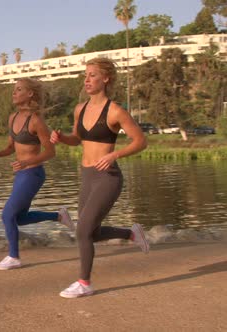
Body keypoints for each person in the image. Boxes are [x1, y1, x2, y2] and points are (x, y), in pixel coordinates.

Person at [50, 57, 150, 298]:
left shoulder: (115, 111)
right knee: (90, 233)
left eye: (92, 75)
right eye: (86, 75)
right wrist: (62, 138)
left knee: (82, 231)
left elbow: (141, 141)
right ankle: (131, 234)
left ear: (105, 79)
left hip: (108, 177)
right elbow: (78, 139)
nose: (87, 79)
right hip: (87, 176)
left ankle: (84, 283)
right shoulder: (80, 109)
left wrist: (115, 154)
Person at [0, 78, 75, 271]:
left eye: (18, 89)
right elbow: (12, 147)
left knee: (7, 215)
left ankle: (14, 257)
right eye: (14, 89)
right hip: (21, 175)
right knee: (18, 218)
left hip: (33, 174)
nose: (14, 93)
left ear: (29, 94)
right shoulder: (12, 118)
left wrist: (27, 162)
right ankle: (58, 216)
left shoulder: (36, 121)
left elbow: (50, 151)